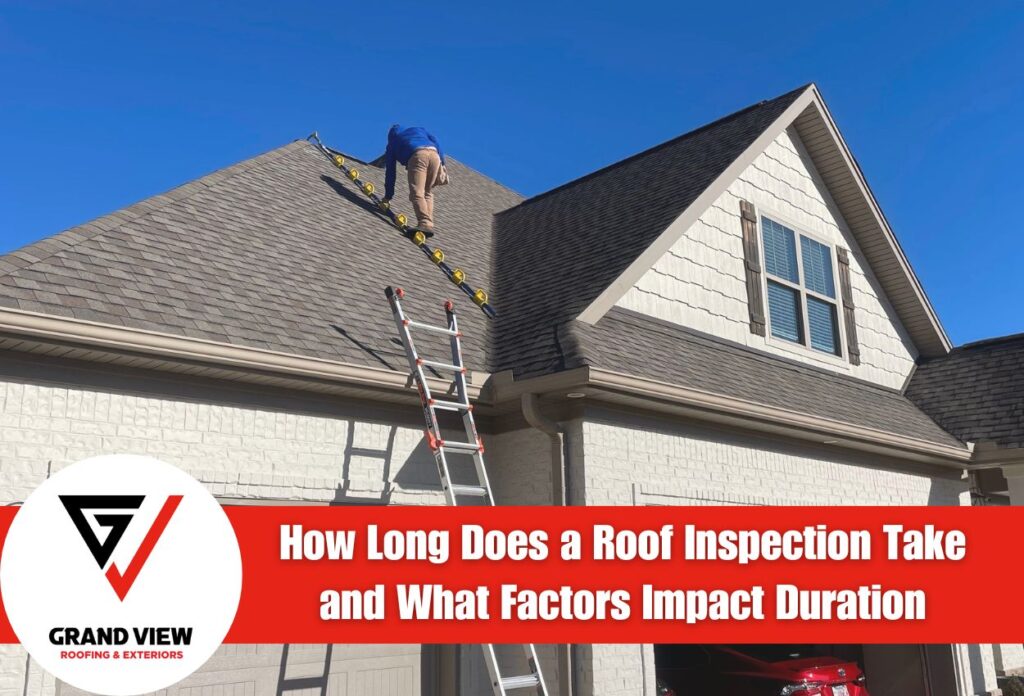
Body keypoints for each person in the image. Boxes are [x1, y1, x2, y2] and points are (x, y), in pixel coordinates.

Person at [382, 125, 448, 235]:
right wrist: (443, 162)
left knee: (417, 192)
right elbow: (435, 139)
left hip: (418, 155)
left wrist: (388, 196)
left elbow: (390, 173)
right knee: (427, 192)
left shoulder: (392, 143)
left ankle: (424, 223)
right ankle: (429, 224)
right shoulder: (419, 130)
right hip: (434, 155)